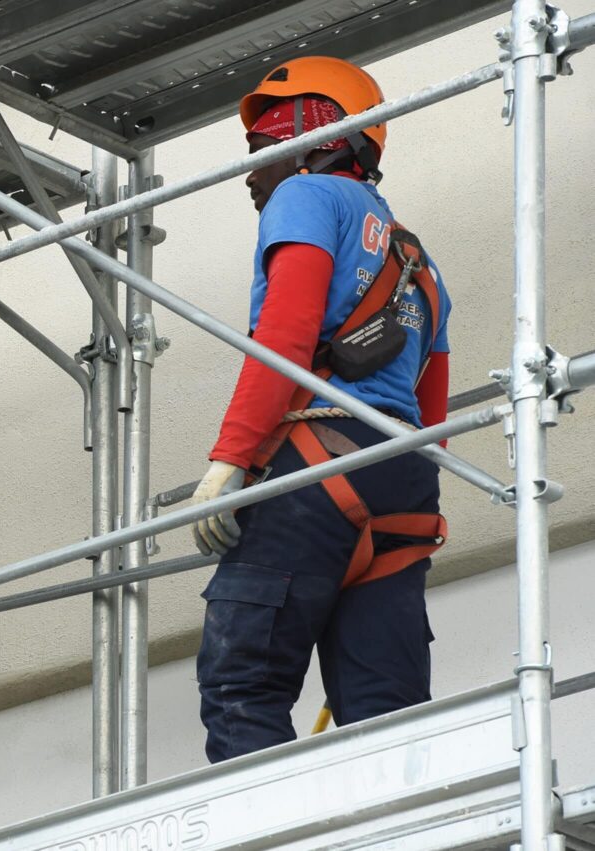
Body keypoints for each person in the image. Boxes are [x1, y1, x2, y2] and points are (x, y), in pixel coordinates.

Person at [188, 57, 453, 763]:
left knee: (244, 682)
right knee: (384, 712)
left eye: (261, 148)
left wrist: (231, 458)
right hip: (401, 488)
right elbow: (432, 415)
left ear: (315, 133)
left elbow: (285, 337)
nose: (251, 173)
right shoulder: (419, 262)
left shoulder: (307, 198)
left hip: (313, 470)